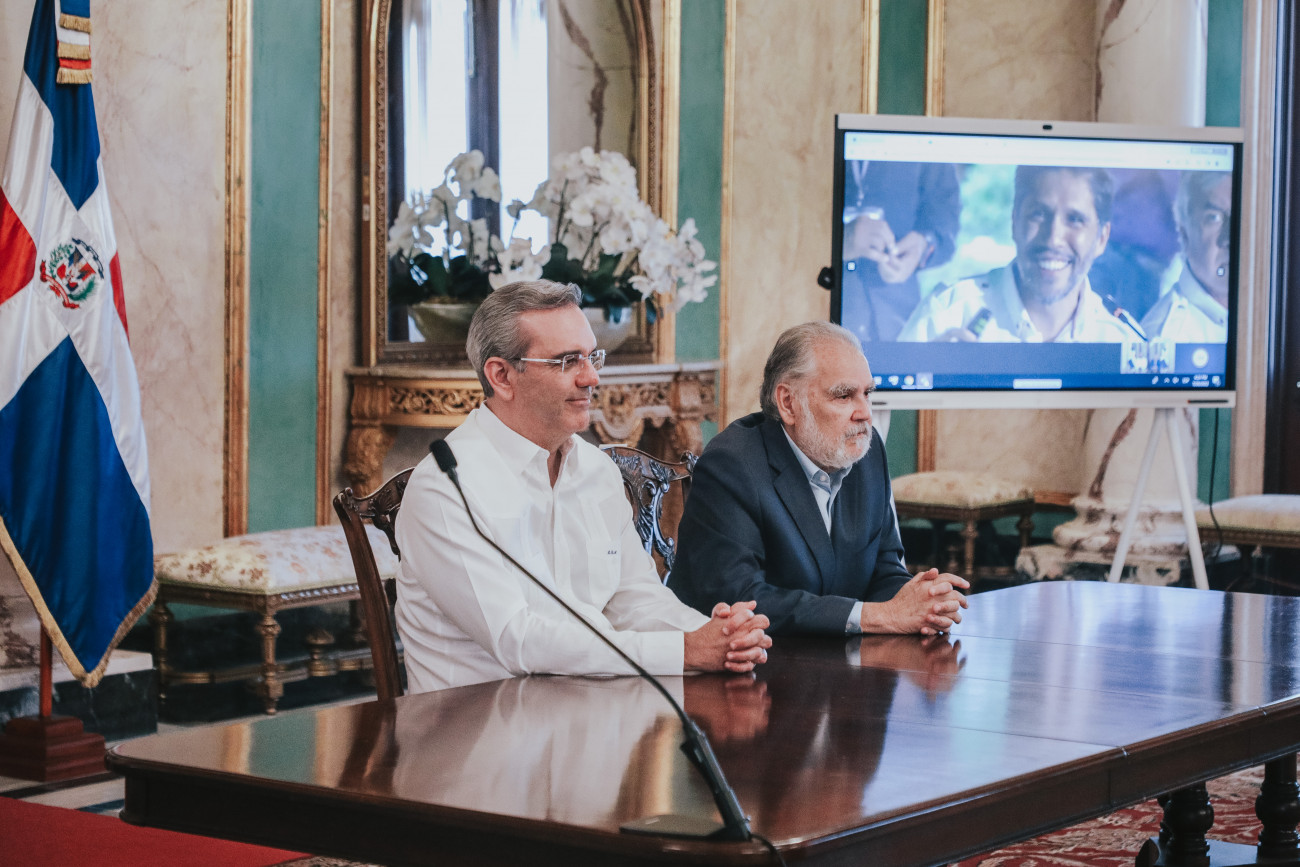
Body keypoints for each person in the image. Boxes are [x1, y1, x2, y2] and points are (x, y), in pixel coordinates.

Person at [393, 280, 772, 692]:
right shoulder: (445, 489)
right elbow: (517, 639)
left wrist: (719, 636)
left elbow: (635, 599)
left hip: (591, 706)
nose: (591, 377)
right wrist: (683, 650)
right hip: (478, 720)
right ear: (502, 376)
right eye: (567, 361)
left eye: (592, 357)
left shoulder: (596, 470)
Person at [668, 321, 970, 636]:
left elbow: (885, 572)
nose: (865, 413)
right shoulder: (732, 465)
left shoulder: (866, 452)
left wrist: (922, 601)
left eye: (867, 393)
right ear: (788, 403)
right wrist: (875, 616)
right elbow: (740, 600)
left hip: (839, 656)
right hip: (752, 660)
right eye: (844, 396)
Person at [899, 165, 1138, 343]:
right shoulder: (944, 316)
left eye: (1075, 219)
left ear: (1102, 239)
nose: (1053, 238)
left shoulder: (1123, 341)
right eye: (1038, 214)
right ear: (1014, 221)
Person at [839, 160, 961, 342]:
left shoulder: (930, 143)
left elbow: (945, 221)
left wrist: (922, 246)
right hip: (815, 308)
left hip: (899, 323)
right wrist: (836, 240)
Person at [1140, 171, 1232, 343]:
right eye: (1214, 218)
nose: (1230, 237)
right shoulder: (1167, 338)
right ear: (1184, 235)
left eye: (1242, 216)